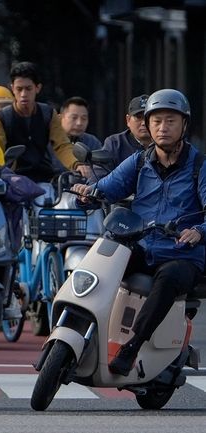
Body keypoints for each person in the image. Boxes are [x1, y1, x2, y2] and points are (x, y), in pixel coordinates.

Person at [72, 89, 206, 377]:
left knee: (169, 277)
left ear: (184, 125)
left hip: (182, 254)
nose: (162, 127)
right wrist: (87, 194)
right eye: (155, 121)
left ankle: (132, 346)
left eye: (170, 121)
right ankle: (75, 328)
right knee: (102, 261)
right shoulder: (140, 161)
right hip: (142, 247)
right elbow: (108, 187)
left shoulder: (199, 166)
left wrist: (198, 231)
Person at [0, 61, 90, 182]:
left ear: (38, 88)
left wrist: (76, 164)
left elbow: (62, 145)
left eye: (28, 89)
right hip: (11, 181)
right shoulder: (1, 119)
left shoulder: (48, 113)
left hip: (45, 179)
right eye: (19, 89)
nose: (23, 94)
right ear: (12, 88)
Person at [102, 94, 153, 169]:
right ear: (128, 120)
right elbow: (99, 174)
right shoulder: (115, 143)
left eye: (148, 117)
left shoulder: (166, 142)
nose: (144, 123)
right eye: (138, 117)